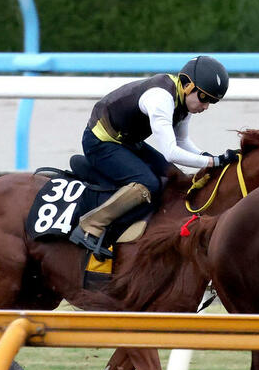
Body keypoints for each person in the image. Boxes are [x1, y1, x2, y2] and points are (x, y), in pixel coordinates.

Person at [69, 55, 238, 256]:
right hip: (100, 142)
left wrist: (209, 157)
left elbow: (182, 141)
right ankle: (91, 227)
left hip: (127, 142)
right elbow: (171, 152)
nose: (206, 106)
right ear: (187, 85)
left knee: (178, 180)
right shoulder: (161, 98)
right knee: (148, 183)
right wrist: (212, 161)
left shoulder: (183, 101)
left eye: (212, 101)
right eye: (204, 98)